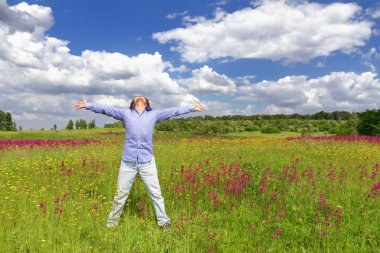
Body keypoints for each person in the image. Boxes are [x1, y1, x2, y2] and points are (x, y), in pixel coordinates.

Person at [75, 95, 204, 229]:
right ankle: (111, 225)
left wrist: (192, 108)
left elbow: (173, 111)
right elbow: (107, 110)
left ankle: (164, 223)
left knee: (156, 194)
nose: (139, 96)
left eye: (142, 96)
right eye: (137, 96)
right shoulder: (125, 114)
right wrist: (88, 106)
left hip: (147, 161)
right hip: (128, 162)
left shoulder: (154, 115)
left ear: (147, 103)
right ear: (133, 103)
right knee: (120, 195)